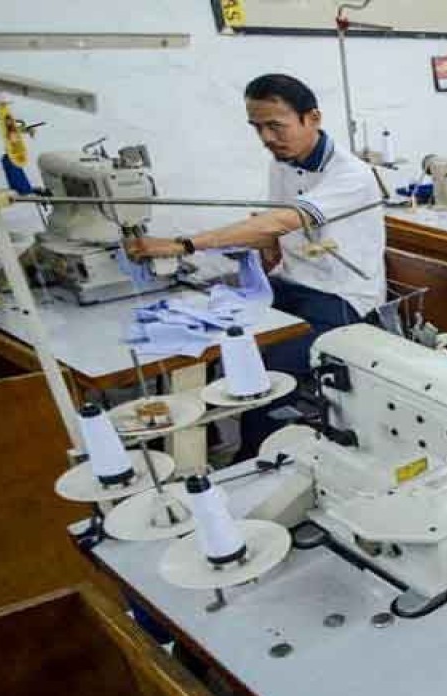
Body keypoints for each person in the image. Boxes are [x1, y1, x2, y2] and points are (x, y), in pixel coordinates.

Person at [127, 74, 384, 459]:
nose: (266, 138)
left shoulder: (351, 176)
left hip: (341, 300)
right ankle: (200, 449)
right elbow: (268, 233)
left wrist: (185, 244)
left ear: (312, 118)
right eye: (257, 127)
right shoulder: (282, 162)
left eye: (275, 126)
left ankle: (255, 460)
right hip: (288, 286)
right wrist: (210, 261)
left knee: (259, 370)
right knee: (207, 344)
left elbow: (281, 222)